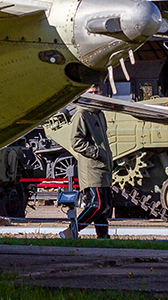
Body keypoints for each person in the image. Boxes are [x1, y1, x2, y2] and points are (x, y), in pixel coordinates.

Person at [62, 96, 113, 239]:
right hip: (92, 168)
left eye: (98, 90)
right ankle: (72, 230)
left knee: (104, 207)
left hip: (103, 166)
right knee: (98, 204)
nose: (97, 93)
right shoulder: (82, 114)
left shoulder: (99, 114)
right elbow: (76, 141)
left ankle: (103, 237)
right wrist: (98, 153)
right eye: (92, 91)